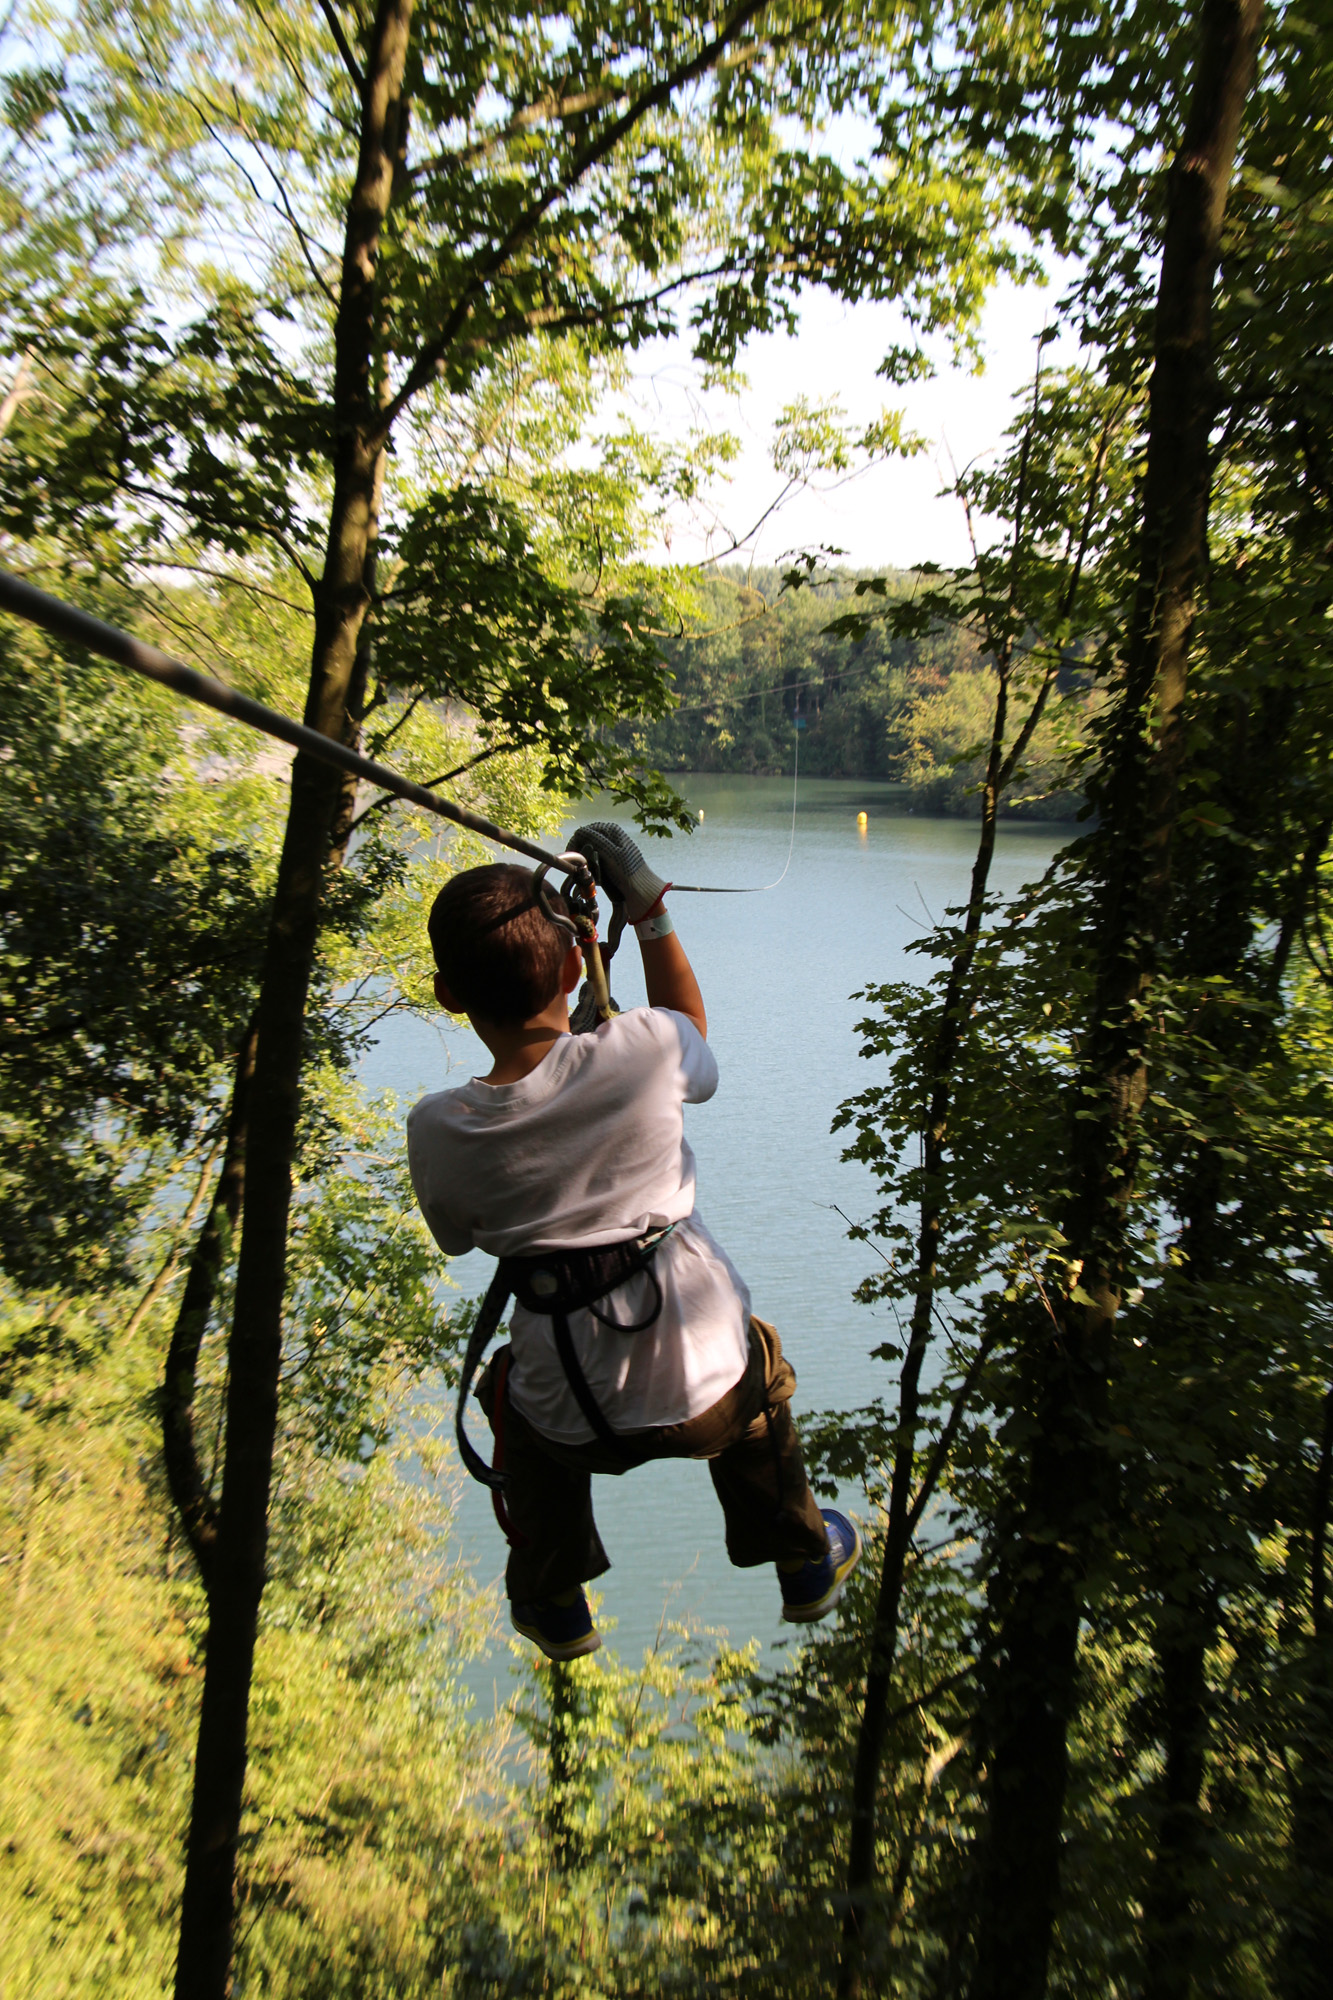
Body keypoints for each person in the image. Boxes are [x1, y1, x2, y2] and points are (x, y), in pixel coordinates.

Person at [406, 823, 861, 1660]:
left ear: (447, 995)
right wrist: (649, 915)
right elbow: (688, 1027)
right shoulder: (643, 1050)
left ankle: (554, 1600)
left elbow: (457, 1240)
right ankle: (803, 1561)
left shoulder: (440, 1127)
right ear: (577, 967)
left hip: (567, 1421)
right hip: (709, 1403)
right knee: (757, 1371)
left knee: (510, 1389)